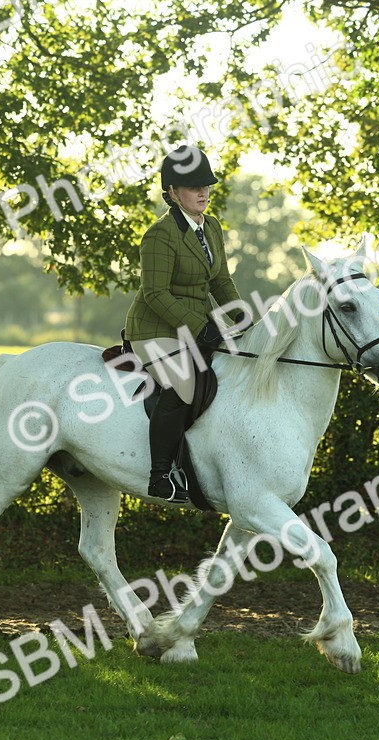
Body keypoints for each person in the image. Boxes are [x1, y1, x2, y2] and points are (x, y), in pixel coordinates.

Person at [125, 145, 244, 504]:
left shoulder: (213, 228)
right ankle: (160, 475)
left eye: (206, 185)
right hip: (155, 329)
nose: (203, 192)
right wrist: (200, 326)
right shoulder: (160, 234)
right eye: (194, 187)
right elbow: (155, 293)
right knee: (184, 382)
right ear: (173, 192)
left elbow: (221, 282)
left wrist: (246, 319)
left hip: (194, 327)